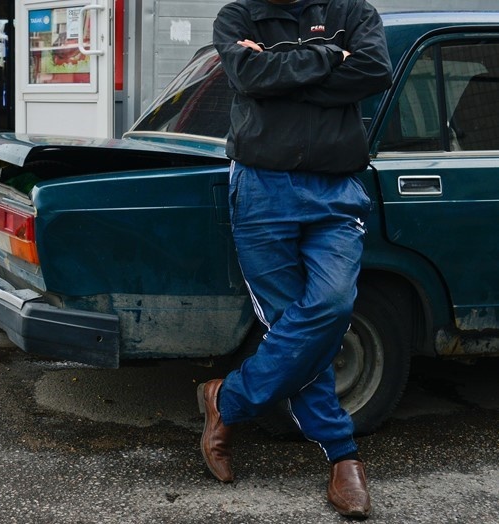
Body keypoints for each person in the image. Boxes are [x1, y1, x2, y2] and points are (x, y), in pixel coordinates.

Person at [198, 0, 393, 519]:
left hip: (336, 190)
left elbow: (374, 70)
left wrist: (281, 73)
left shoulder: (354, 11)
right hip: (262, 189)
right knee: (292, 324)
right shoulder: (236, 16)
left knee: (328, 310)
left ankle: (230, 400)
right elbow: (246, 74)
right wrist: (330, 54)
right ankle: (342, 455)